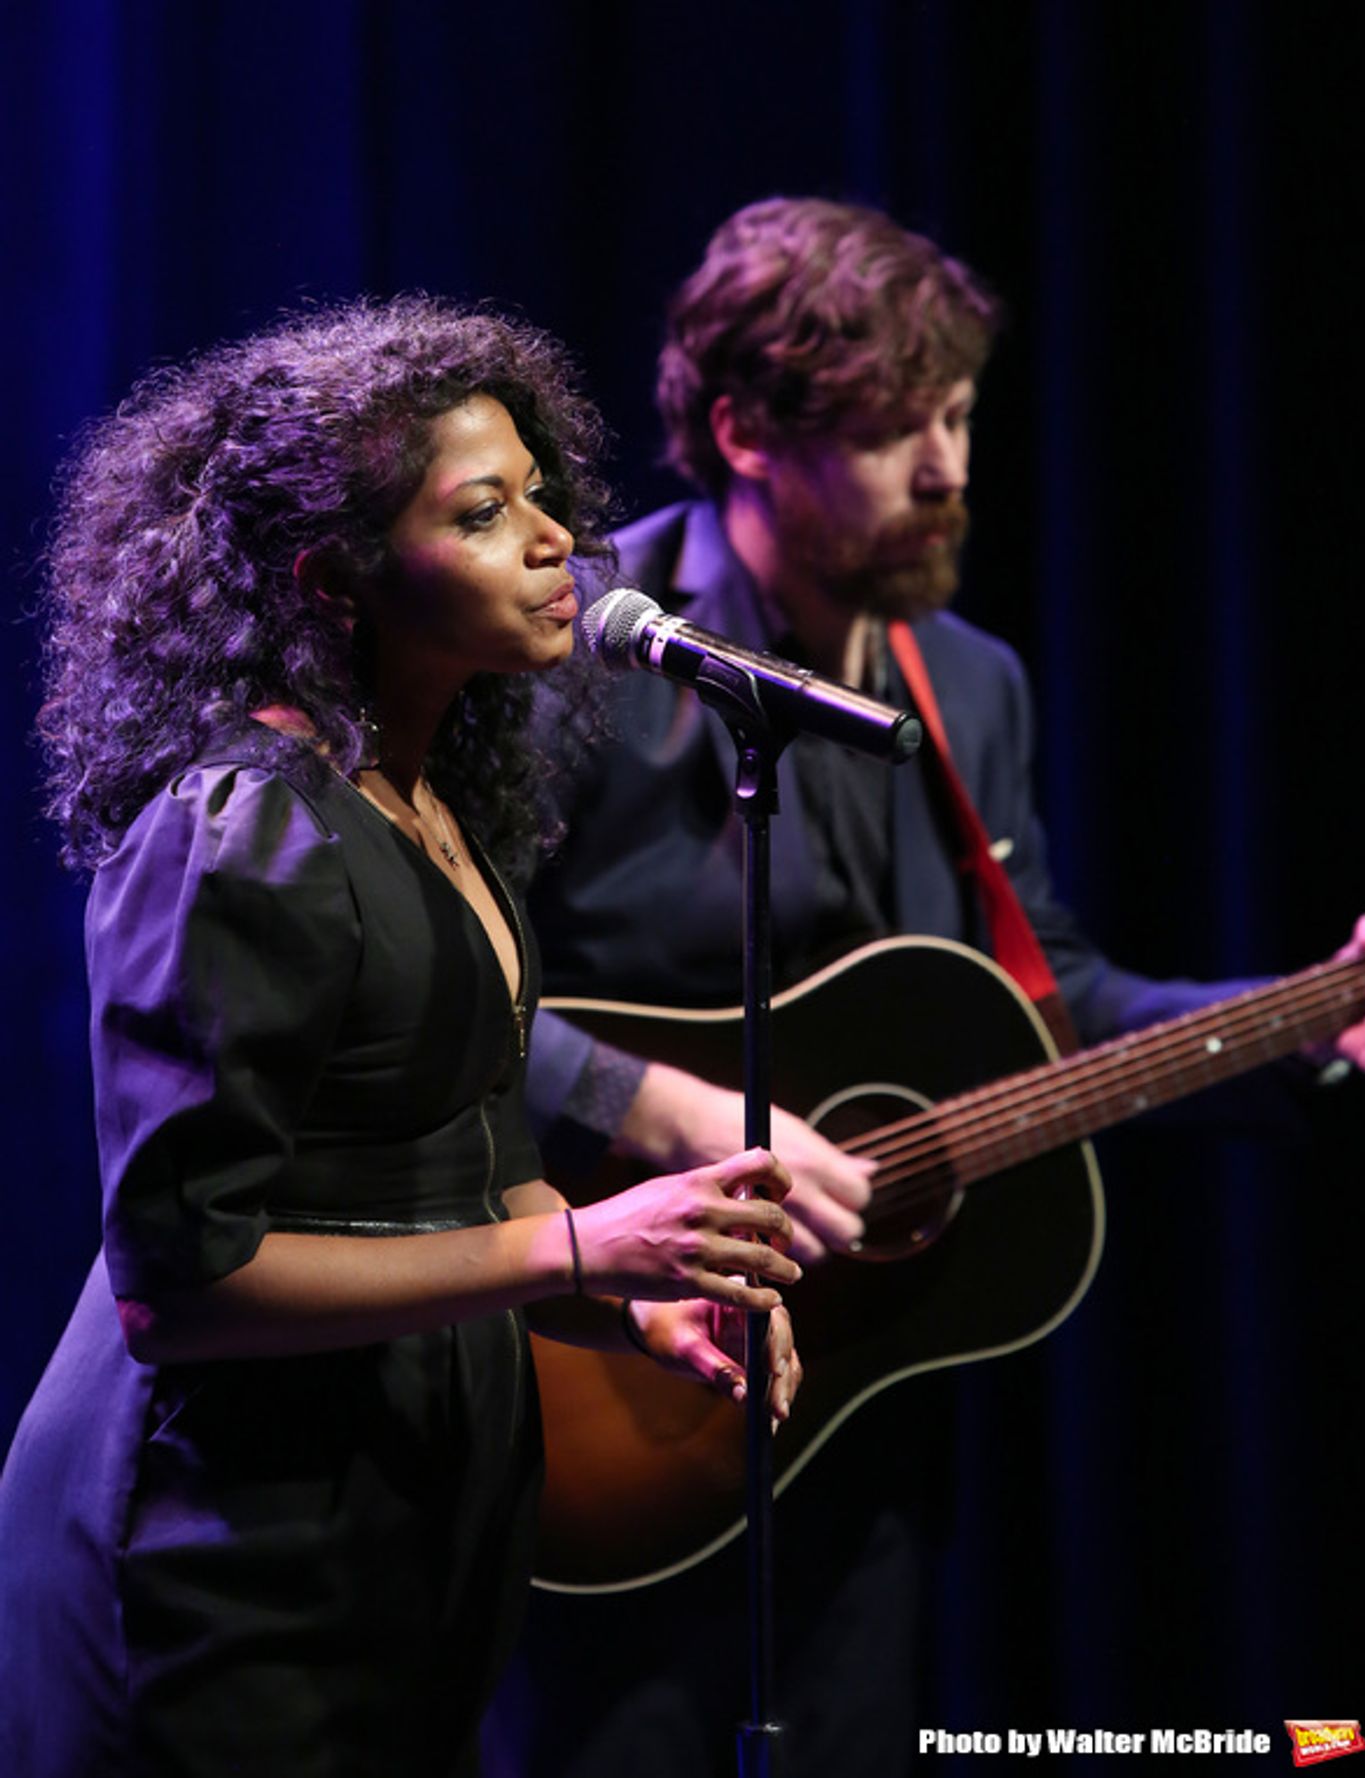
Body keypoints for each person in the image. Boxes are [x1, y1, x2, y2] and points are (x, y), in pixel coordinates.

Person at [490, 199, 1365, 1776]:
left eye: (962, 416)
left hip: (856, 1429)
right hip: (601, 1380)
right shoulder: (575, 658)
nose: (954, 468)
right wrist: (661, 1111)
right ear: (744, 432)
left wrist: (1318, 1012)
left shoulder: (969, 680)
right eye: (899, 428)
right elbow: (442, 1007)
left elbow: (1053, 1002)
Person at [0, 295, 804, 1778]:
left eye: (543, 496)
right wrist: (581, 1250)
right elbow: (180, 1281)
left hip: (400, 1531)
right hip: (222, 1547)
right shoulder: (243, 830)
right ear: (339, 579)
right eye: (485, 513)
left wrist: (633, 1303)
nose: (557, 537)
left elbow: (479, 1171)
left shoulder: (431, 804)